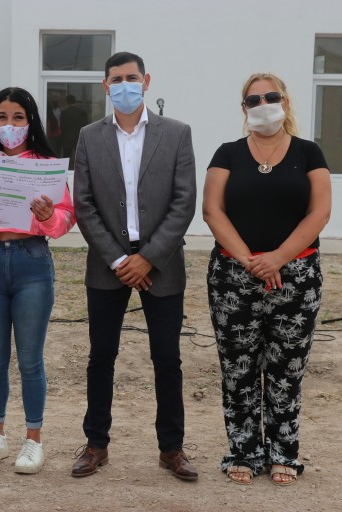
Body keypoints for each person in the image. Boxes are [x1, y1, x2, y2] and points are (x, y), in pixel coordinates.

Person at [71, 52, 198, 481]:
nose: (124, 85)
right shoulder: (89, 136)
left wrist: (148, 257)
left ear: (146, 81)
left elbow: (184, 202)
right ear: (105, 86)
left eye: (132, 77)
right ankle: (96, 444)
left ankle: (172, 449)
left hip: (161, 262)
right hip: (108, 263)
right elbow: (84, 205)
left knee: (167, 358)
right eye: (116, 79)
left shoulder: (176, 133)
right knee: (101, 356)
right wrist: (119, 258)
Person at [203, 72, 331, 486]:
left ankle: (283, 452)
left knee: (286, 371)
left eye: (270, 96)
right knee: (237, 370)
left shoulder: (309, 153)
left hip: (296, 277)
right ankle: (243, 451)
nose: (263, 104)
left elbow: (319, 212)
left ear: (285, 102)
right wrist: (250, 260)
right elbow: (212, 210)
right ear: (243, 109)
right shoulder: (228, 153)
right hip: (233, 276)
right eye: (253, 100)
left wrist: (277, 258)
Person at [0, 87, 75, 474]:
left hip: (32, 264)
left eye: (18, 117)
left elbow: (65, 218)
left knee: (29, 359)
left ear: (31, 121)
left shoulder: (46, 166)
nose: (10, 125)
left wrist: (47, 217)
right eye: (2, 117)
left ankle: (33, 440)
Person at [59, 94, 88, 168]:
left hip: (67, 138)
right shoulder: (82, 112)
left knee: (66, 159)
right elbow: (86, 125)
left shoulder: (64, 112)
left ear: (67, 102)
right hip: (79, 138)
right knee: (80, 159)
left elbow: (62, 126)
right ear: (75, 101)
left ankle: (65, 172)